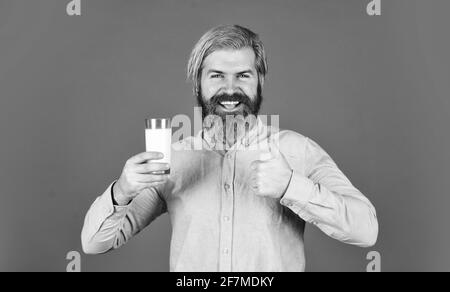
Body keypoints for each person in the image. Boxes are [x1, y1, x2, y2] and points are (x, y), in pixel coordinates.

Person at [81, 24, 378, 272]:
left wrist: (291, 186)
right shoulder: (172, 159)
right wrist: (121, 191)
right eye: (217, 75)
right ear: (198, 84)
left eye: (243, 75)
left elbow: (366, 230)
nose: (230, 89)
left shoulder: (297, 151)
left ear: (260, 81)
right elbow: (95, 243)